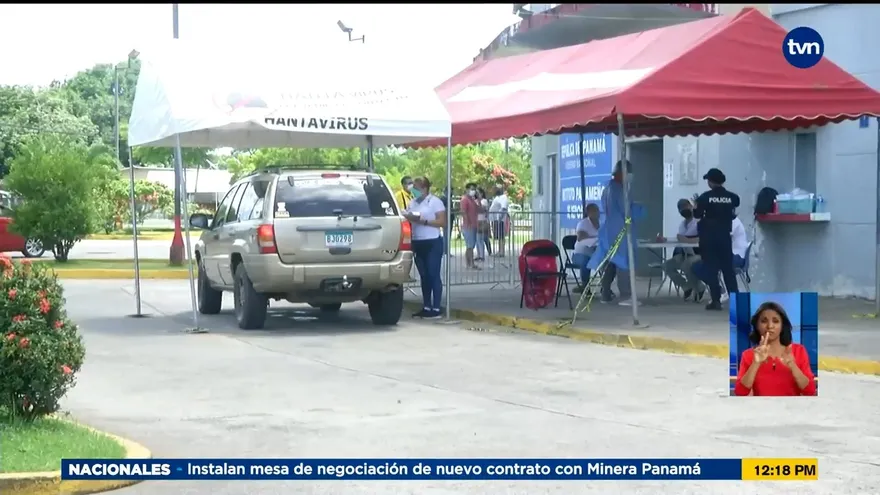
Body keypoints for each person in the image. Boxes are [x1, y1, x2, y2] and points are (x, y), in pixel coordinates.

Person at [734, 301, 816, 396]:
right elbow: (740, 392)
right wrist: (756, 363)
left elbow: (810, 391)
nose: (770, 326)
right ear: (757, 326)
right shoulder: (748, 355)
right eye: (764, 321)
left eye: (775, 321)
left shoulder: (799, 351)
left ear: (782, 326)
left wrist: (792, 365)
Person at [587, 160, 639, 306]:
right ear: (622, 173)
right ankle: (626, 295)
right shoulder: (619, 190)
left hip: (610, 230)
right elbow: (626, 210)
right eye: (628, 173)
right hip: (619, 230)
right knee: (623, 262)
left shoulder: (608, 189)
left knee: (610, 262)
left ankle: (605, 294)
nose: (630, 176)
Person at [693, 168, 740, 311]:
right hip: (725, 237)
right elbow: (733, 209)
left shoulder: (704, 197)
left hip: (709, 238)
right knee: (728, 270)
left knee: (711, 269)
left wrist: (695, 205)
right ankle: (736, 301)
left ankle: (716, 301)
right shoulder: (732, 197)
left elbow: (697, 214)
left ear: (711, 182)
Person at [403, 177, 447, 319]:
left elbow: (442, 221)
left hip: (432, 241)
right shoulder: (413, 203)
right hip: (418, 241)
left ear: (424, 188)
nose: (413, 190)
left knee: (433, 273)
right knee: (424, 275)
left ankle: (436, 306)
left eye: (416, 187)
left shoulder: (435, 202)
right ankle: (427, 305)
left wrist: (425, 221)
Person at [662, 198, 702, 300]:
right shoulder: (682, 225)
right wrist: (665, 240)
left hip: (699, 254)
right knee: (667, 265)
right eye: (681, 208)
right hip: (684, 253)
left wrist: (685, 240)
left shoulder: (699, 221)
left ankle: (700, 287)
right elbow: (679, 239)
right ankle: (686, 286)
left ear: (691, 206)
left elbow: (701, 239)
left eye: (686, 206)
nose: (684, 209)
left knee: (686, 265)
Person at [572, 203, 600, 293]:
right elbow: (581, 237)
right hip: (580, 254)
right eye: (594, 211)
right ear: (588, 212)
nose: (596, 213)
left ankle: (606, 287)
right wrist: (595, 238)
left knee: (608, 262)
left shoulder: (601, 224)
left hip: (596, 252)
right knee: (586, 261)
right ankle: (585, 286)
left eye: (597, 210)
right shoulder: (583, 223)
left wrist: (590, 236)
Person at [459, 182, 481, 269]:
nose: (473, 191)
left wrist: (478, 199)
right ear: (467, 189)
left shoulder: (472, 200)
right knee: (470, 246)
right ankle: (470, 263)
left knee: (471, 246)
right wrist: (468, 223)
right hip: (468, 226)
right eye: (472, 189)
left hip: (473, 225)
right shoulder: (464, 199)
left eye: (474, 189)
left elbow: (479, 209)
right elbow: (463, 212)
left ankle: (470, 263)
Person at [488, 186, 509, 257]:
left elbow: (503, 208)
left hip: (500, 219)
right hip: (495, 219)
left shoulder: (503, 197)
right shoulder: (498, 197)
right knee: (498, 236)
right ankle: (500, 250)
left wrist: (500, 218)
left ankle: (502, 251)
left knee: (501, 236)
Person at [477, 187, 492, 259]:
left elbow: (482, 209)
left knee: (483, 238)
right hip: (477, 221)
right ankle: (480, 254)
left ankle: (483, 254)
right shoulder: (476, 201)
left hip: (483, 221)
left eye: (478, 193)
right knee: (479, 238)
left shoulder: (484, 201)